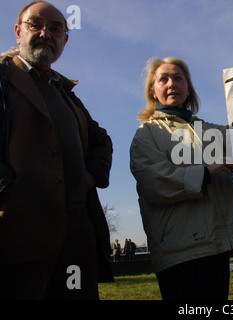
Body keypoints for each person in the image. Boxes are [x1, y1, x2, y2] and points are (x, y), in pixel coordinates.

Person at [0, 1, 113, 299]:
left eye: (55, 29)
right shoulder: (2, 77)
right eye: (35, 25)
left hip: (75, 242)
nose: (45, 33)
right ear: (17, 31)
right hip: (17, 240)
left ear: (65, 39)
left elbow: (102, 139)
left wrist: (90, 175)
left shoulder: (67, 94)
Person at [130, 57, 233, 300]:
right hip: (178, 255)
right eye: (164, 79)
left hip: (215, 249)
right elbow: (153, 183)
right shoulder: (147, 134)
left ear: (188, 88)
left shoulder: (212, 132)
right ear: (153, 90)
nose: (172, 83)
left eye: (178, 78)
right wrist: (205, 172)